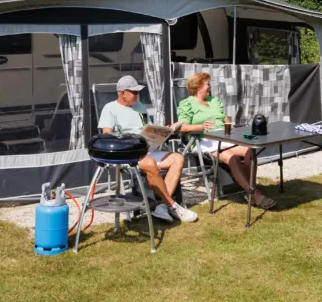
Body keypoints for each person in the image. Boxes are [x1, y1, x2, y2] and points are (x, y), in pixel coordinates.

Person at [98, 75, 198, 223]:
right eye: (134, 92)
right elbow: (107, 136)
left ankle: (162, 207)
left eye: (138, 92)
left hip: (147, 148)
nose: (137, 95)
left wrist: (163, 132)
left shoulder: (140, 107)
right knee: (150, 163)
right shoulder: (110, 108)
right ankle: (173, 206)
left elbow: (148, 128)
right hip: (128, 155)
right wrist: (129, 139)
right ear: (122, 92)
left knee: (178, 158)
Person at [177, 72, 276, 210]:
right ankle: (255, 194)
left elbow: (224, 118)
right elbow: (181, 127)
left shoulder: (214, 101)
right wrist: (200, 126)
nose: (209, 87)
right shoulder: (187, 104)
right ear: (198, 86)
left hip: (225, 136)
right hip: (205, 140)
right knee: (232, 158)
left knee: (250, 150)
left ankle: (249, 190)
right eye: (207, 84)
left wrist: (230, 125)